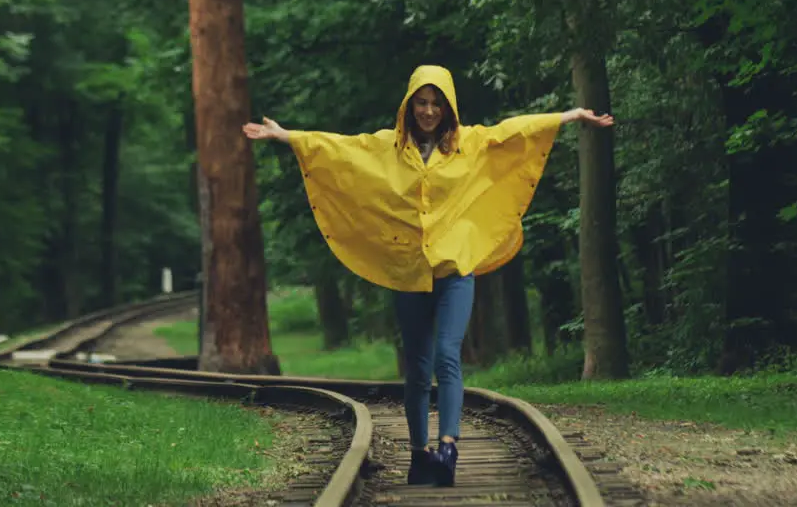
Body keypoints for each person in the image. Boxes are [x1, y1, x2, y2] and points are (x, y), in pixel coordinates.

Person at [242, 65, 613, 487]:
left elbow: (513, 132)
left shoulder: (469, 143)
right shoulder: (388, 147)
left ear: (449, 107)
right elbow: (341, 149)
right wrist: (287, 136)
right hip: (409, 272)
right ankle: (420, 455)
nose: (429, 110)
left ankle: (449, 446)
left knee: (447, 355)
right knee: (418, 369)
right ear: (409, 104)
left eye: (437, 103)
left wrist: (566, 117)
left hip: (455, 270)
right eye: (422, 102)